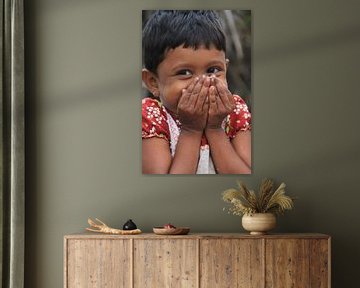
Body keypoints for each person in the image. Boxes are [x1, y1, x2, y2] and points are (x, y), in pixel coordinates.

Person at [142, 10, 251, 174]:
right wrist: (191, 130)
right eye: (184, 73)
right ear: (153, 82)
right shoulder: (150, 116)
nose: (203, 82)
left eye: (213, 70)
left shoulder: (234, 110)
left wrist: (215, 128)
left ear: (226, 69)